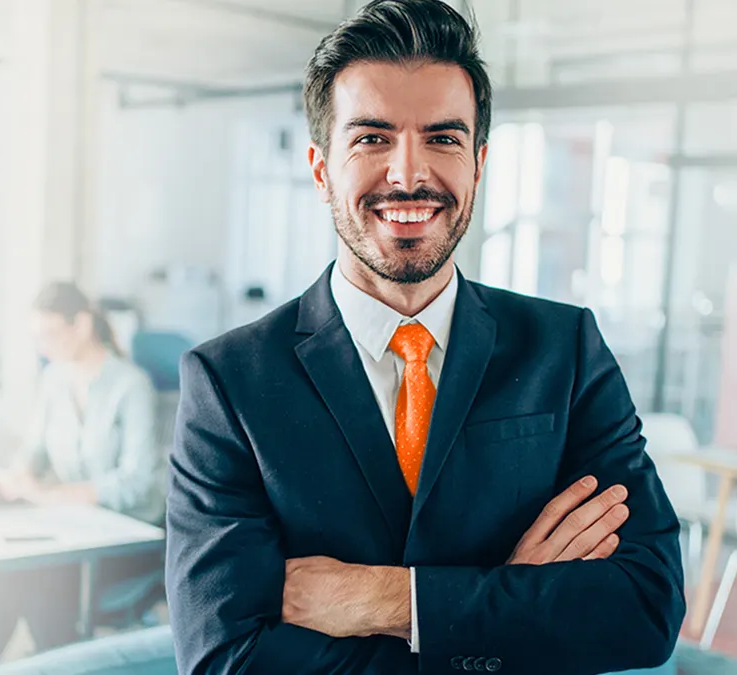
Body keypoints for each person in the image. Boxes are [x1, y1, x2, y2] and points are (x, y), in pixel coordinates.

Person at [164, 2, 685, 674]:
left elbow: (644, 609)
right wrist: (508, 598)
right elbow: (223, 658)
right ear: (321, 168)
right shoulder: (228, 382)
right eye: (372, 139)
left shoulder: (565, 348)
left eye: (442, 139)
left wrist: (394, 600)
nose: (408, 175)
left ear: (479, 162)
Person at [0, 281, 163, 674]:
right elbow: (33, 451)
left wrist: (49, 495)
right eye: (36, 337)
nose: (42, 347)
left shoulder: (131, 385)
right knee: (16, 574)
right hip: (75, 531)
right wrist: (16, 480)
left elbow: (137, 483)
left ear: (81, 325)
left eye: (49, 334)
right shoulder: (54, 381)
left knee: (28, 581)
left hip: (129, 542)